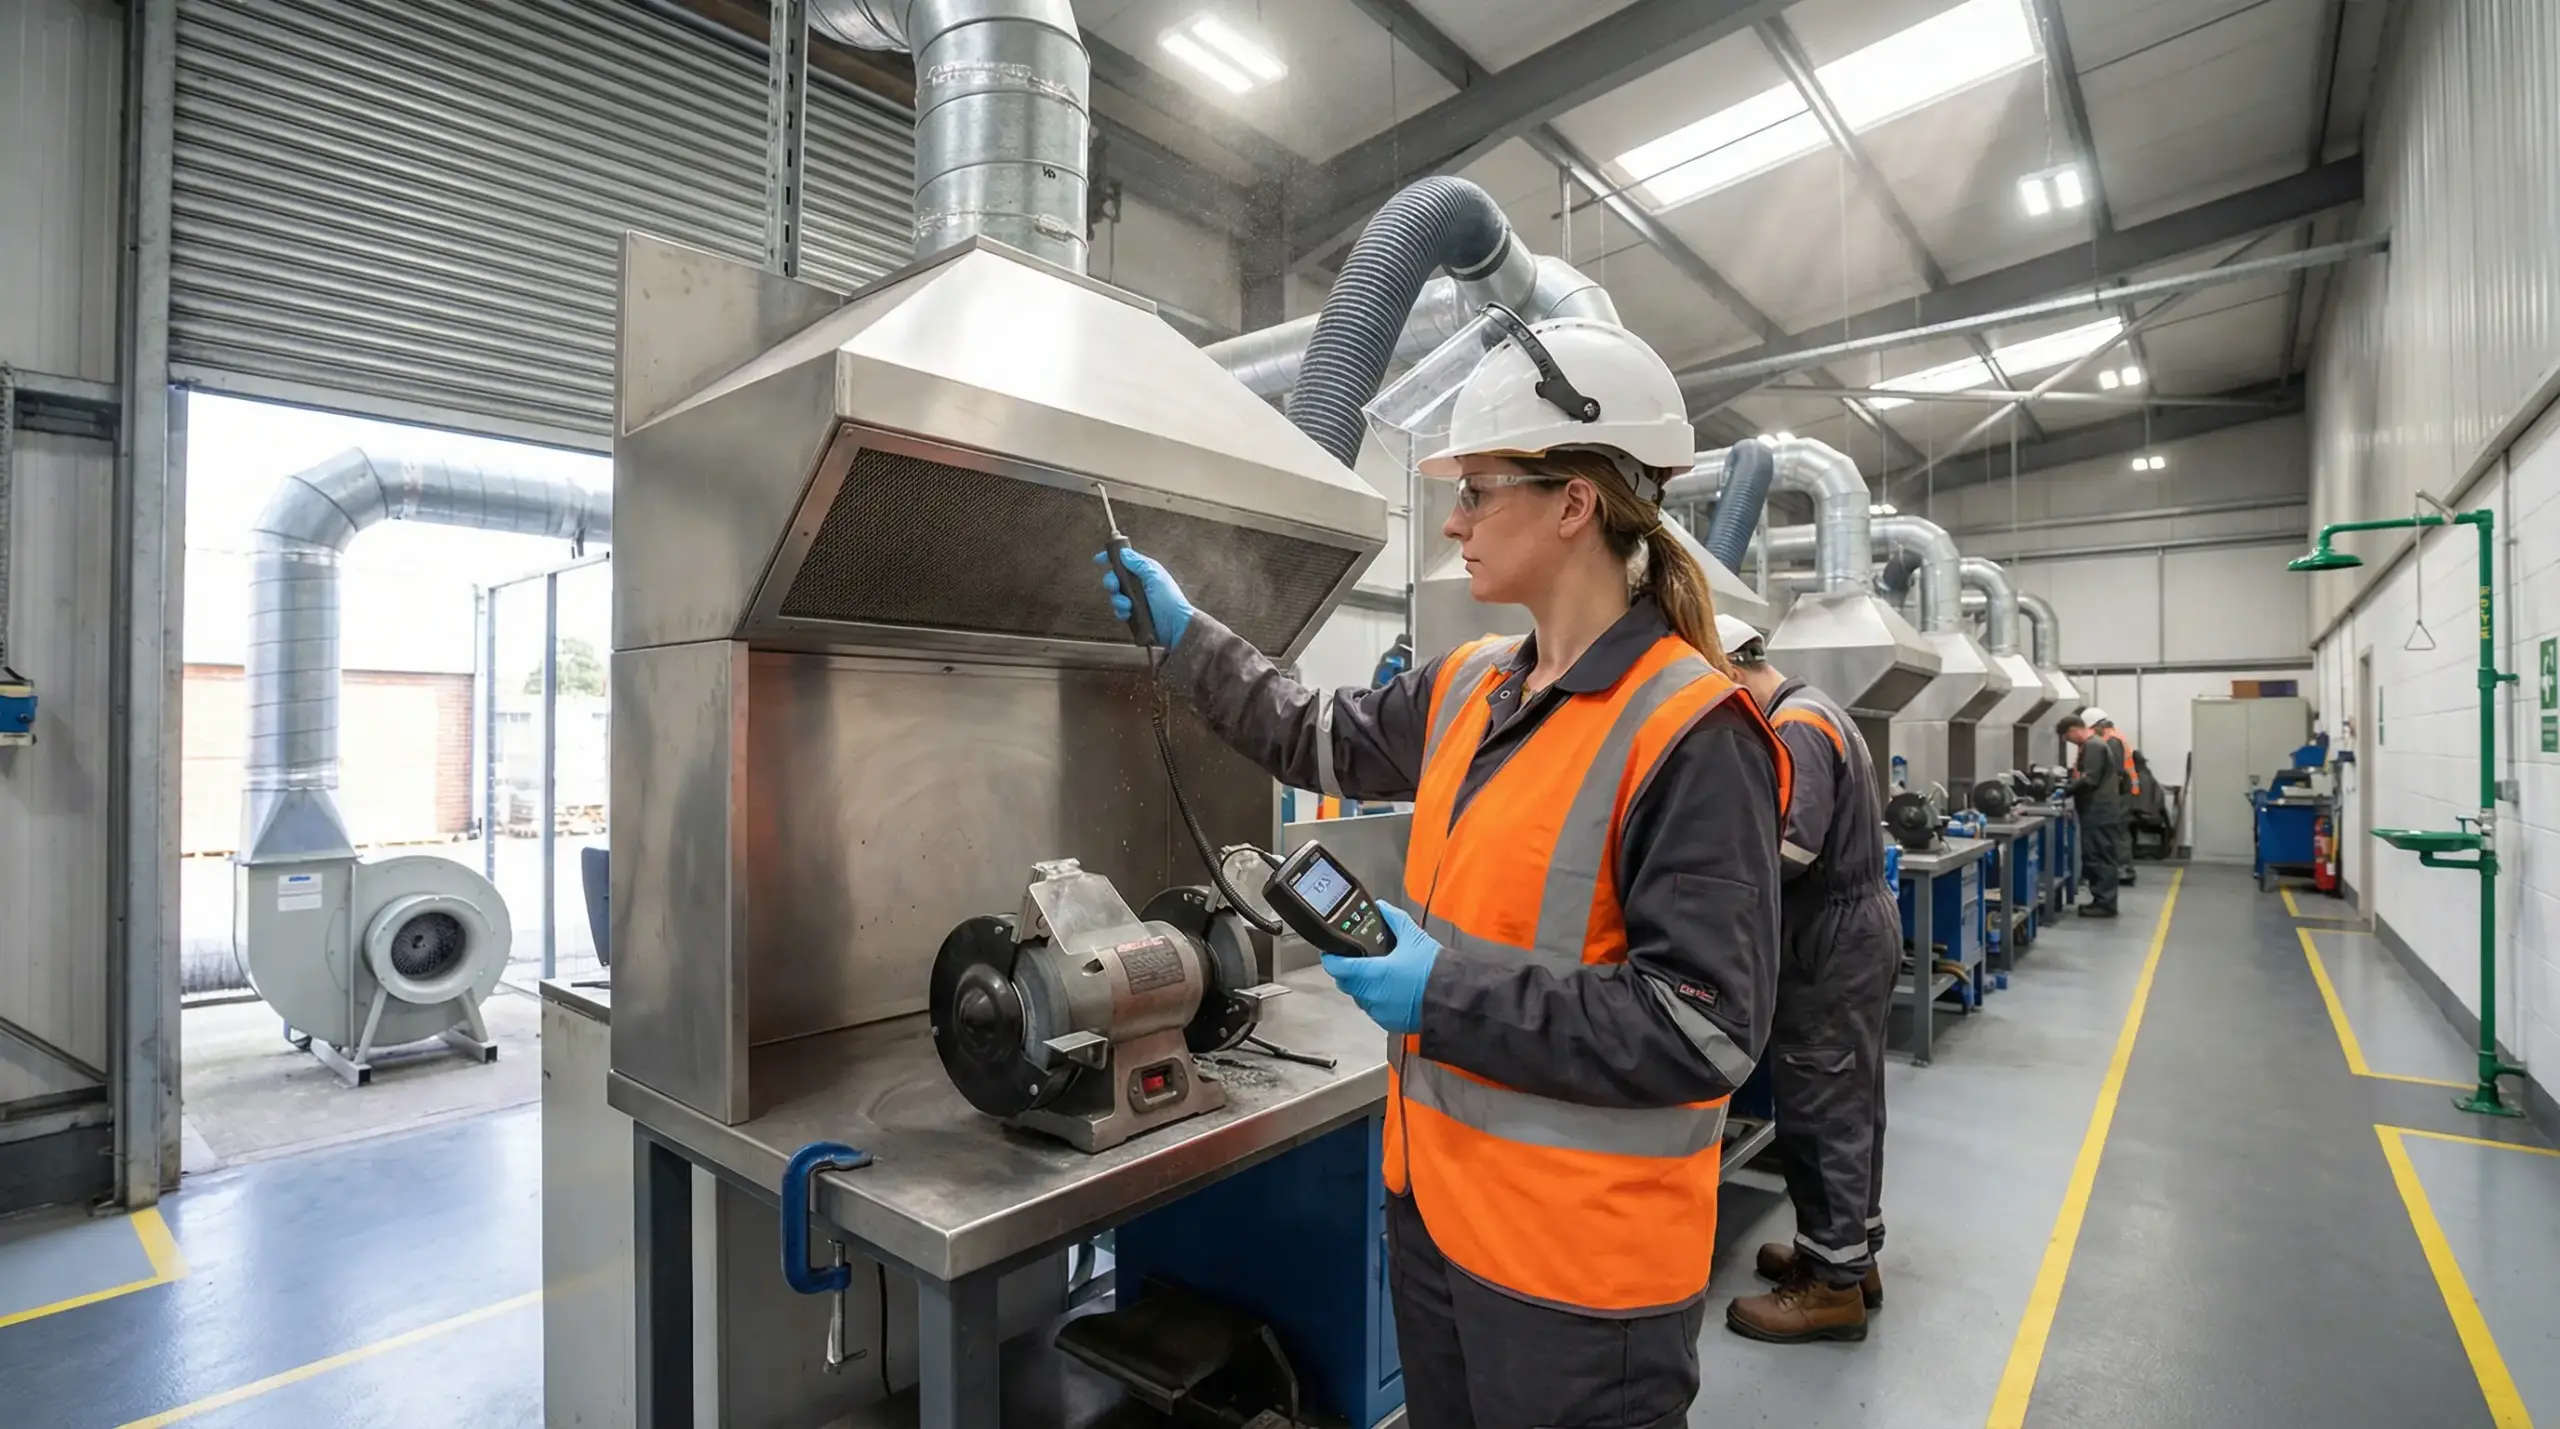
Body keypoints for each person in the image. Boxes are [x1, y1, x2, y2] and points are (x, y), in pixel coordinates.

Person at [1100, 315, 1786, 1429]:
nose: (1455, 519)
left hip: (1580, 1277)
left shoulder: (1690, 732)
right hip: (1438, 1223)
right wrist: (1189, 638)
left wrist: (1443, 993)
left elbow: (1703, 1026)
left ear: (1575, 504)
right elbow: (1311, 732)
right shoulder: (1474, 684)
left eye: (1478, 490)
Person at [1715, 615, 1898, 1344]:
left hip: (1830, 937)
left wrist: (1712, 888)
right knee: (1850, 1096)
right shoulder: (1815, 708)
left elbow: (1791, 847)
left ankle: (1831, 1289)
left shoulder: (1796, 727)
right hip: (1841, 930)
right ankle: (1848, 1252)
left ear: (1730, 670)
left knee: (1822, 1100)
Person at [2059, 709, 2127, 918]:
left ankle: (2105, 903)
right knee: (2096, 854)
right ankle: (2102, 899)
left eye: (2068, 738)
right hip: (2097, 811)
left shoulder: (2094, 746)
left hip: (2100, 812)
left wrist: (2066, 790)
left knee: (2100, 855)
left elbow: (2090, 779)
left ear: (2073, 730)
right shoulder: (2093, 745)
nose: (2070, 742)